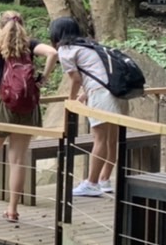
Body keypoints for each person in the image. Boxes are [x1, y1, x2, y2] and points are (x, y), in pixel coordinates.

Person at [0, 11, 56, 222]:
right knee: (18, 160)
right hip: (27, 107)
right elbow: (53, 54)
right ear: (22, 26)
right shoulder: (30, 47)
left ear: (0, 27)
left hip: (1, 107)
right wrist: (43, 80)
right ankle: (12, 210)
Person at [49, 16, 126, 198]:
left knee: (99, 139)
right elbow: (94, 74)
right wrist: (84, 95)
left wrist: (71, 101)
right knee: (111, 139)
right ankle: (104, 180)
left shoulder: (66, 50)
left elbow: (76, 79)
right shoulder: (88, 45)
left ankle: (91, 183)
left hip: (100, 94)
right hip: (114, 91)